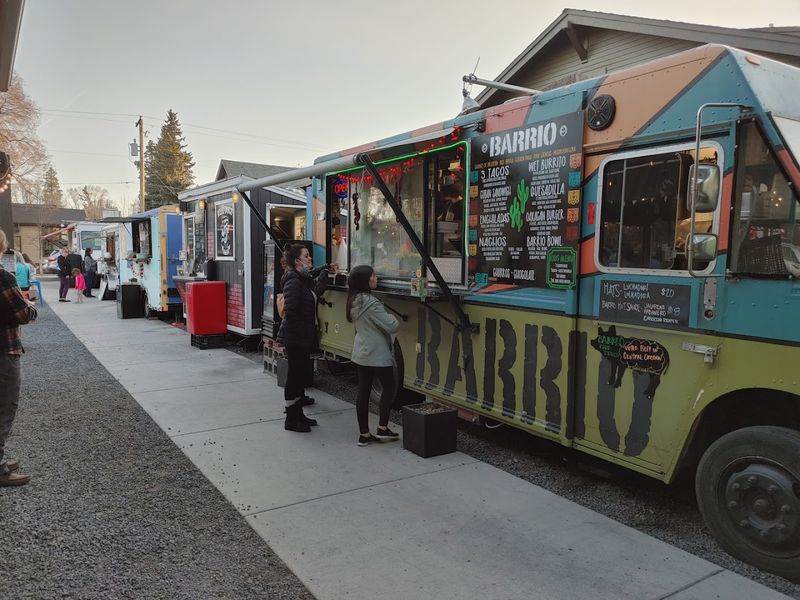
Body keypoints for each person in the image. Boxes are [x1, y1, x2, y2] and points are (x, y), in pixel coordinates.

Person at [276, 244, 335, 432]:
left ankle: (298, 414)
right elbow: (291, 311)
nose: (310, 259)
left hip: (301, 337)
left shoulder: (301, 278)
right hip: (295, 338)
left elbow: (312, 289)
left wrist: (325, 268)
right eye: (307, 256)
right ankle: (291, 419)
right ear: (297, 261)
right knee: (294, 378)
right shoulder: (293, 280)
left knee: (299, 377)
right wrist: (301, 335)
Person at [346, 264, 401, 446]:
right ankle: (382, 428)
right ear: (365, 281)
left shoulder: (353, 300)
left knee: (363, 391)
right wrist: (393, 317)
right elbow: (392, 326)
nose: (377, 278)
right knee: (390, 386)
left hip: (362, 352)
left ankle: (364, 434)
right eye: (374, 276)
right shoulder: (371, 303)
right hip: (377, 353)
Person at [0, 228, 37, 486]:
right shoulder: (3, 277)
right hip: (4, 350)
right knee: (5, 407)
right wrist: (32, 307)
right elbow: (22, 314)